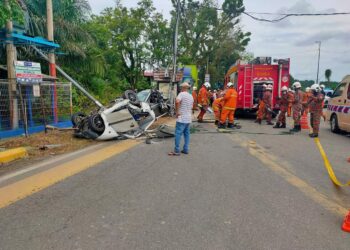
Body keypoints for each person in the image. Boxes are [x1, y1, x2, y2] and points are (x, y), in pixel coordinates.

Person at [169, 82, 194, 156]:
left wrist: (177, 112)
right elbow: (192, 106)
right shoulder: (190, 96)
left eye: (181, 87)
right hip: (188, 118)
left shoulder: (181, 94)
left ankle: (176, 150)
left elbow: (177, 102)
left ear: (183, 88)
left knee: (178, 133)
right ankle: (186, 149)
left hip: (182, 118)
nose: (181, 88)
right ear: (188, 88)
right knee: (187, 134)